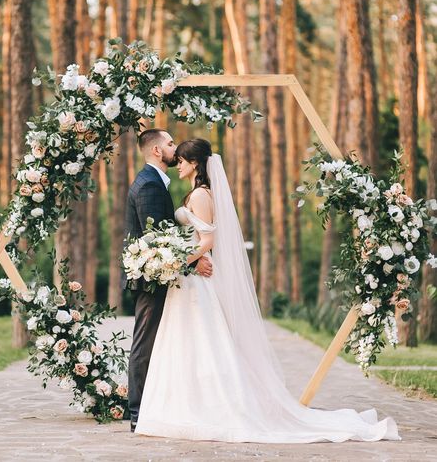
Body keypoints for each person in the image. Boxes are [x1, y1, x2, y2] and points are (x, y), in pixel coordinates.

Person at [134, 138, 400, 443]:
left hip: (196, 280)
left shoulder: (201, 195)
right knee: (186, 344)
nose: (177, 164)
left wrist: (175, 260)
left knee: (203, 343)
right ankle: (182, 404)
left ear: (194, 163)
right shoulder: (196, 193)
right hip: (190, 279)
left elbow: (208, 242)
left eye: (181, 159)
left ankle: (207, 407)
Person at [122, 129, 212, 433]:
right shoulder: (149, 185)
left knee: (161, 342)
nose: (176, 148)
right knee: (145, 343)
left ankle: (157, 405)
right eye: (171, 143)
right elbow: (158, 239)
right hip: (152, 278)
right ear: (158, 151)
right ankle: (137, 412)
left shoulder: (157, 183)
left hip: (163, 276)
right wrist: (195, 259)